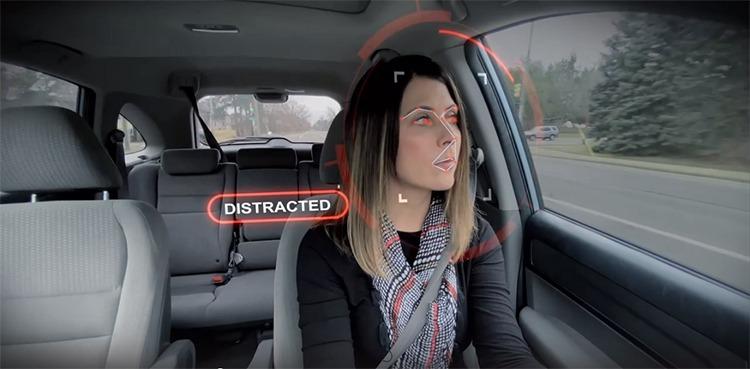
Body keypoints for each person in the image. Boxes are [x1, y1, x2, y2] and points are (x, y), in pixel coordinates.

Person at [296, 55, 542, 369]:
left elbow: (505, 352)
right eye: (423, 119)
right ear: (379, 136)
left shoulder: (474, 235)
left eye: (452, 117)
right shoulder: (326, 250)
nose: (451, 136)